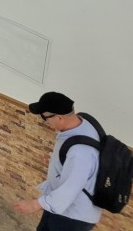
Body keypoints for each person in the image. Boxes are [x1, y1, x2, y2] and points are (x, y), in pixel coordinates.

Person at [13, 91, 102, 231]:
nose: (45, 121)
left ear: (60, 118)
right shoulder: (82, 121)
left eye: (45, 117)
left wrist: (34, 204)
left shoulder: (80, 152)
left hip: (72, 216)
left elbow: (70, 189)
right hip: (58, 206)